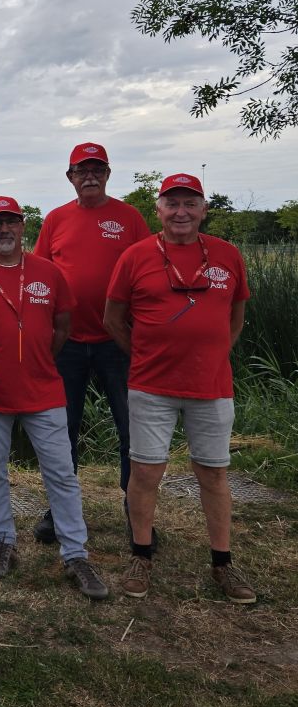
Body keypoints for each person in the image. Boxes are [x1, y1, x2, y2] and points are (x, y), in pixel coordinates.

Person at [0, 196, 109, 600]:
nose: (4, 230)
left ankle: (75, 554)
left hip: (43, 390)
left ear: (23, 228)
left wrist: (36, 360)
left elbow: (63, 325)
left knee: (61, 472)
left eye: (11, 223)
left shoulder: (48, 273)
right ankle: (3, 540)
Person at [103, 173, 255, 603]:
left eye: (190, 203)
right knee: (146, 472)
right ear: (159, 209)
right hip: (151, 386)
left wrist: (212, 355)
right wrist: (144, 356)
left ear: (204, 209)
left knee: (213, 473)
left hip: (212, 386)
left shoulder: (228, 256)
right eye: (173, 203)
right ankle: (141, 554)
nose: (181, 212)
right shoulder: (135, 256)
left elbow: (236, 316)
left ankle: (223, 563)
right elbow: (112, 319)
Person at [31, 142, 151, 545]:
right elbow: (39, 277)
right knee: (60, 430)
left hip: (117, 342)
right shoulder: (55, 220)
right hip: (66, 343)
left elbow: (148, 273)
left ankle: (136, 511)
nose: (89, 176)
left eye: (97, 169)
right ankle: (59, 509)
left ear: (108, 174)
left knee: (130, 427)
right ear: (69, 177)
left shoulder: (130, 218)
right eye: (81, 170)